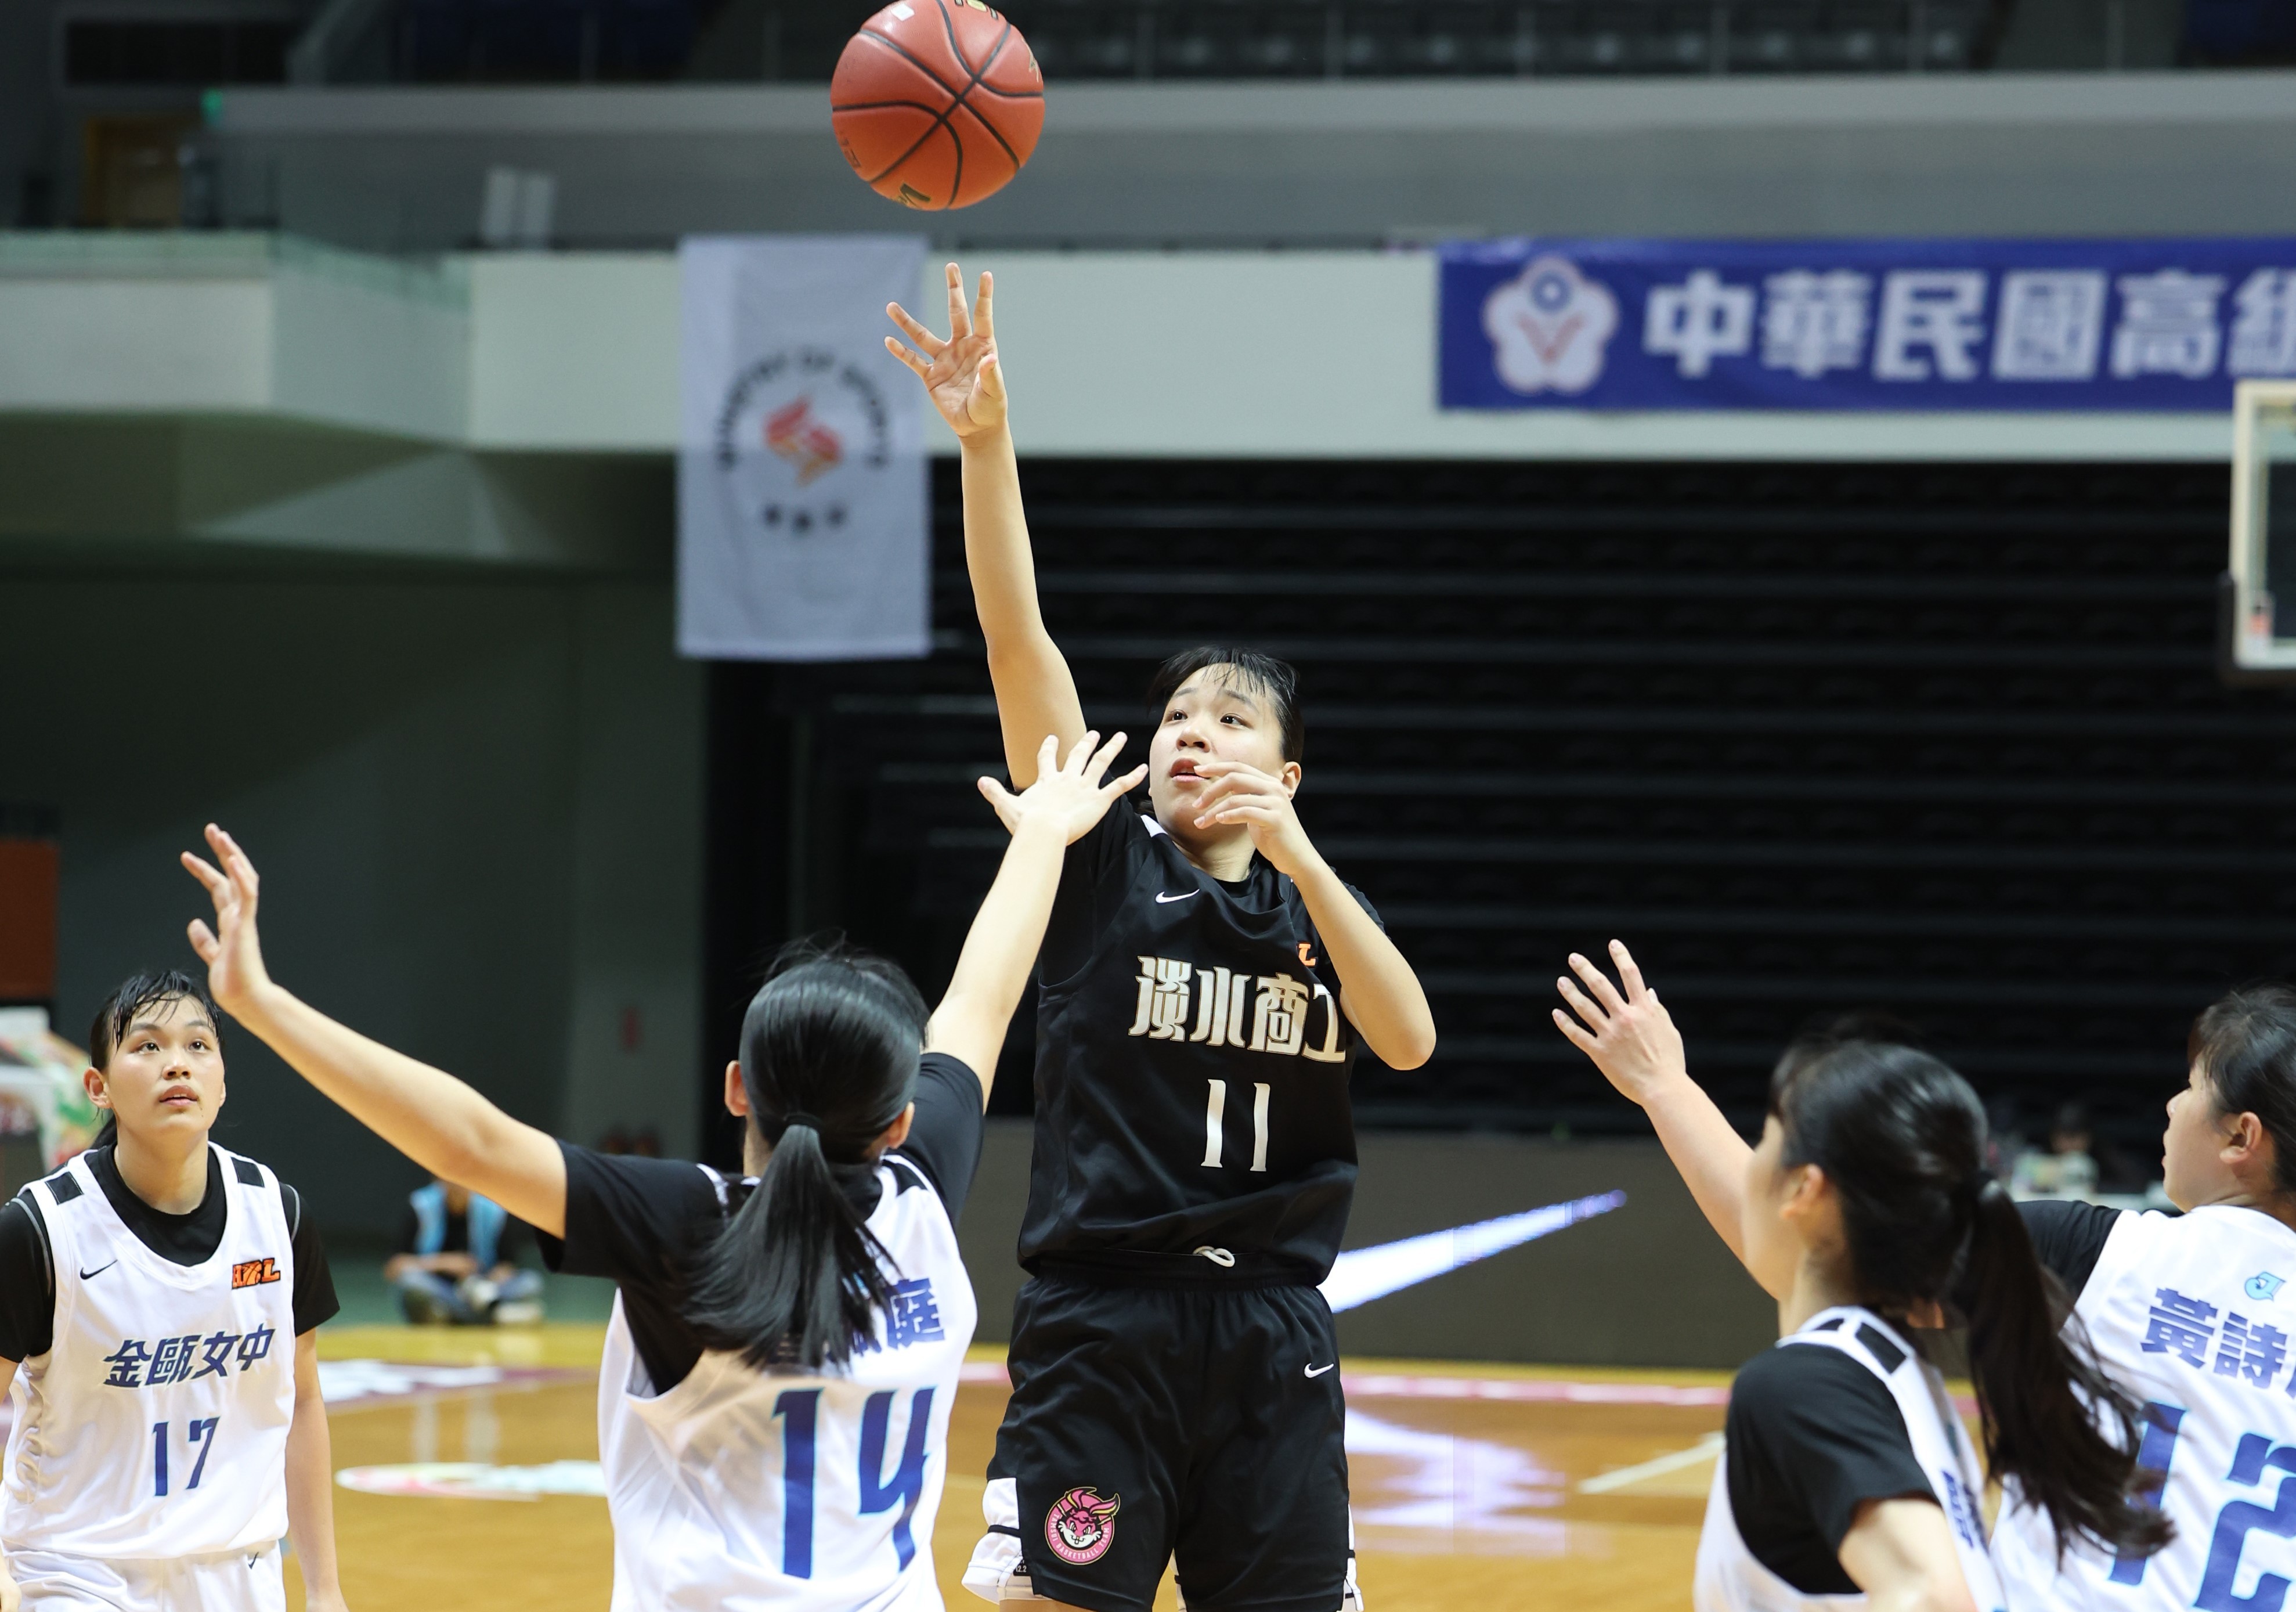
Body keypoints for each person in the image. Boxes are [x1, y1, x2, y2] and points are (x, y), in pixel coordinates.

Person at [178, 730, 1146, 1612]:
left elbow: (468, 1142)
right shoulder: (922, 1189)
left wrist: (260, 1005)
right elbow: (983, 998)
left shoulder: (689, 1219)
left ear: (735, 1088)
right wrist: (1043, 836)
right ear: (899, 1120)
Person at [885, 266, 1438, 1612]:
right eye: (1180, 713)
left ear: (1289, 774)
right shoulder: (1094, 859)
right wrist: (983, 439)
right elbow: (1018, 635)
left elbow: (1409, 1038)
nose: (1193, 729)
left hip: (1274, 1329)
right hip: (1103, 1317)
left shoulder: (1315, 905)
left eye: (1233, 718)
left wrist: (1303, 862)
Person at [1552, 940, 2168, 1612]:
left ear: (1803, 1190)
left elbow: (1930, 1597)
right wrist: (1662, 1085)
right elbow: (1789, 1261)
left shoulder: (1801, 1384)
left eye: (1763, 1140)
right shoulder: (1892, 1373)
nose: (1750, 1163)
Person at [0, 971, 347, 1612]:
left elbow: (300, 1398)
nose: (176, 1065)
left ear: (222, 1083)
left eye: (197, 1046)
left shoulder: (278, 1216)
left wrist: (325, 1589)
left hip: (238, 1568)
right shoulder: (40, 1230)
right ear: (97, 1086)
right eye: (148, 1046)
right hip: (75, 1568)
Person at [385, 1177, 545, 1325]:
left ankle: (454, 1316)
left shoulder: (493, 1211)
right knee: (410, 1281)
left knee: (530, 1282)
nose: (457, 1187)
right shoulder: (421, 1207)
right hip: (441, 1289)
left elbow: (507, 1265)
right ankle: (492, 1316)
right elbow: (394, 1268)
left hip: (484, 1290)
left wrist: (488, 1284)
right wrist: (444, 1263)